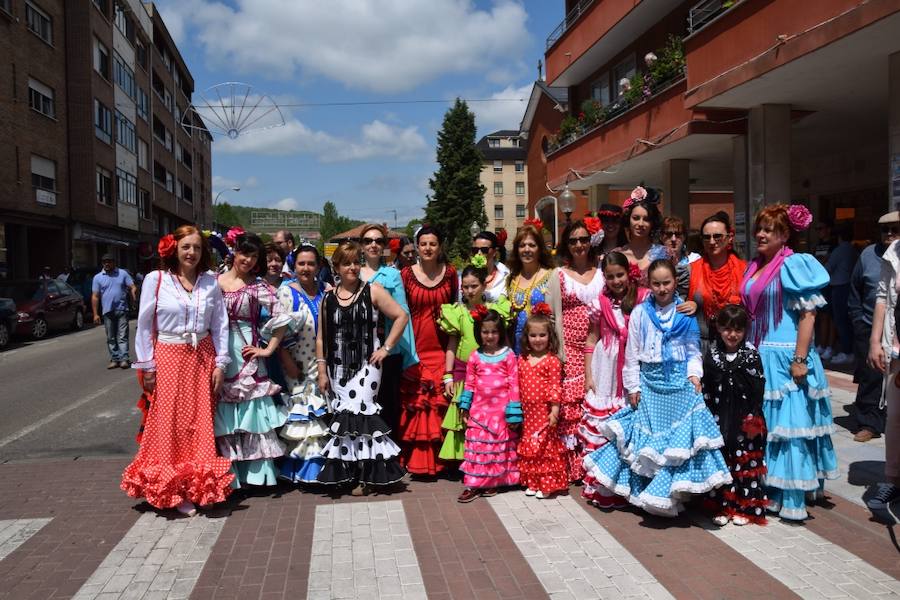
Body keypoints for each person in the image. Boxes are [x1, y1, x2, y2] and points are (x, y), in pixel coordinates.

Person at [583, 259, 731, 516]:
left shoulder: (685, 313)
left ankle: (673, 495)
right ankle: (647, 494)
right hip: (650, 385)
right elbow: (632, 353)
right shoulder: (640, 312)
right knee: (646, 445)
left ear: (675, 282)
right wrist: (633, 386)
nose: (662, 288)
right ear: (648, 284)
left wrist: (694, 375)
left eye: (667, 283)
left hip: (678, 384)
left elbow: (693, 351)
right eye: (656, 283)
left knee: (677, 445)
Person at [122, 225, 233, 516]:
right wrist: (147, 365)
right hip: (169, 356)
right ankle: (172, 489)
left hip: (203, 356)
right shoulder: (156, 280)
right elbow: (145, 325)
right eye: (186, 247)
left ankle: (199, 487)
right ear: (174, 248)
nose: (192, 253)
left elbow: (220, 324)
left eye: (196, 247)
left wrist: (221, 361)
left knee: (200, 423)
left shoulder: (210, 282)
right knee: (169, 424)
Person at [740, 204, 838, 521]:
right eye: (760, 228)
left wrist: (799, 359)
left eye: (769, 229)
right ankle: (770, 486)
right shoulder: (754, 265)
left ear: (785, 234)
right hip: (759, 352)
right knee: (766, 428)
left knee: (788, 429)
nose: (761, 234)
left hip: (785, 356)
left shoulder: (793, 264)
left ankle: (789, 494)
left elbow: (808, 315)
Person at [315, 241, 409, 495]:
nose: (353, 267)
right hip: (337, 368)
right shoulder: (328, 298)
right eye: (347, 263)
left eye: (356, 262)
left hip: (367, 366)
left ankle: (369, 476)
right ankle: (352, 474)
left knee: (363, 415)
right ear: (336, 267)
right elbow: (322, 336)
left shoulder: (373, 291)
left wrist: (386, 348)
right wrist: (322, 370)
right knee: (346, 420)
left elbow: (401, 316)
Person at [215, 233, 292, 488]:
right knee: (225, 415)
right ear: (234, 252)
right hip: (218, 353)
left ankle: (254, 476)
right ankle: (229, 476)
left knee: (252, 414)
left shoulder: (259, 287)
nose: (247, 260)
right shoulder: (214, 283)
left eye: (253, 256)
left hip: (248, 352)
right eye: (243, 253)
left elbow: (282, 317)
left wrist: (268, 349)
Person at [581, 251, 649, 507]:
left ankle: (629, 485)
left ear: (628, 273)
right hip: (606, 367)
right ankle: (603, 486)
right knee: (605, 427)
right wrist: (589, 374)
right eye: (610, 277)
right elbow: (591, 339)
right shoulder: (600, 302)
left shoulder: (643, 298)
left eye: (619, 275)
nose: (616, 281)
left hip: (632, 364)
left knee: (628, 427)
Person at [399, 226, 458, 476]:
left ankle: (445, 462)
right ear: (417, 247)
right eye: (423, 244)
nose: (428, 248)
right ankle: (419, 463)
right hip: (415, 348)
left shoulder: (452, 273)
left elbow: (456, 308)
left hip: (444, 347)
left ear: (440, 246)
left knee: (442, 402)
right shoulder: (405, 275)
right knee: (420, 404)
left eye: (433, 243)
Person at [439, 260, 511, 462]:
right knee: (464, 417)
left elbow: (504, 341)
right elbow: (452, 346)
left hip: (491, 376)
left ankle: (488, 455)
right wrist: (448, 376)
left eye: (474, 286)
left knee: (488, 417)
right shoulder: (457, 313)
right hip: (464, 375)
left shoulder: (494, 312)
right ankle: (468, 460)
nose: (470, 291)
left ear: (484, 285)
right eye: (466, 286)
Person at [702, 304, 768, 526]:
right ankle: (723, 507)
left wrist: (753, 419)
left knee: (744, 464)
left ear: (745, 331)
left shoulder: (750, 354)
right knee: (721, 462)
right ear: (719, 329)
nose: (732, 334)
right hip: (718, 418)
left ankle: (743, 507)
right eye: (727, 329)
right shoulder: (712, 354)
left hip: (744, 420)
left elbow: (758, 389)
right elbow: (707, 388)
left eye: (738, 330)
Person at [550, 220, 605, 483]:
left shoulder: (603, 270)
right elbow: (552, 315)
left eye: (583, 239)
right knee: (573, 406)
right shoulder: (558, 274)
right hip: (569, 348)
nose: (579, 245)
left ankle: (595, 462)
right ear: (566, 245)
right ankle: (574, 466)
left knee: (596, 401)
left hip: (600, 347)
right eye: (573, 241)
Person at [276, 245, 330, 483]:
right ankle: (300, 470)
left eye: (311, 263)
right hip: (296, 363)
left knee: (320, 414)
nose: (306, 269)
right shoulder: (286, 292)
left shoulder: (326, 290)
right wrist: (287, 361)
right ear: (294, 266)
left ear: (318, 266)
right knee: (302, 414)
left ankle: (319, 467)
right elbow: (277, 332)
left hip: (322, 362)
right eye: (301, 264)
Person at [456, 308, 521, 502]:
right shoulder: (475, 356)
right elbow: (469, 383)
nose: (490, 336)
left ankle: (493, 482)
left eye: (494, 331)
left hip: (500, 413)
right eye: (485, 332)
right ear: (479, 332)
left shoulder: (509, 355)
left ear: (500, 332)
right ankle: (474, 484)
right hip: (479, 413)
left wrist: (514, 413)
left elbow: (514, 384)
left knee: (496, 449)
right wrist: (464, 406)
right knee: (478, 449)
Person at [359, 224, 418, 435]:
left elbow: (402, 312)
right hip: (358, 350)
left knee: (387, 403)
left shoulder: (392, 275)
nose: (373, 245)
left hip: (386, 351)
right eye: (368, 241)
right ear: (361, 246)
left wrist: (393, 347)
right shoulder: (352, 273)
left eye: (378, 241)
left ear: (384, 246)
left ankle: (389, 457)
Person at [849, 212, 899, 442]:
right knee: (870, 377)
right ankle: (868, 422)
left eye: (895, 229)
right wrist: (859, 322)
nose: (889, 234)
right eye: (885, 230)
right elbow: (855, 290)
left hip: (897, 331)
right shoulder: (868, 254)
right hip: (870, 327)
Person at [865, 225, 900, 510]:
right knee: (895, 417)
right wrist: (875, 340)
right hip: (897, 347)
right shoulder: (894, 252)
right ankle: (893, 478)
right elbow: (883, 298)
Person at [517, 304, 568, 499]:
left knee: (545, 448)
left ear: (550, 337)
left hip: (545, 412)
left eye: (542, 335)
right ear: (526, 338)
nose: (538, 340)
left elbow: (555, 387)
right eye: (533, 336)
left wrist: (554, 411)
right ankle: (533, 481)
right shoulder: (522, 359)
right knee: (531, 448)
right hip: (528, 413)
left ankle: (547, 485)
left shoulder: (552, 360)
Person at [686, 212, 747, 347]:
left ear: (730, 237)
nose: (712, 241)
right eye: (707, 237)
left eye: (717, 236)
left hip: (735, 345)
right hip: (701, 346)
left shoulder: (745, 270)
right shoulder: (691, 270)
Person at [507, 222, 556, 355]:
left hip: (542, 349)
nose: (526, 249)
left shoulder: (551, 276)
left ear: (539, 249)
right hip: (515, 348)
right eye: (522, 245)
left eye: (532, 245)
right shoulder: (511, 279)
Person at [612, 186, 668, 287]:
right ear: (628, 220)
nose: (641, 223)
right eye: (636, 218)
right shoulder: (617, 255)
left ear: (652, 223)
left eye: (646, 219)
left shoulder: (665, 253)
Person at [92, 253, 137, 369]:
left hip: (122, 309)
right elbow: (95, 296)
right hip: (107, 311)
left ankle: (124, 359)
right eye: (104, 262)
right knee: (111, 337)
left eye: (109, 261)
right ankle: (115, 359)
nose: (107, 264)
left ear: (114, 262)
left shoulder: (122, 274)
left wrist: (133, 295)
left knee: (122, 336)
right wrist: (95, 314)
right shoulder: (98, 277)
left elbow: (132, 286)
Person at [824, 224, 857, 365]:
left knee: (840, 320)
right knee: (846, 320)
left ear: (839, 237)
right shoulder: (854, 250)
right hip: (849, 286)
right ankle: (849, 350)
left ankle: (847, 351)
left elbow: (828, 268)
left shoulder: (840, 250)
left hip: (839, 287)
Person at [813, 219, 837, 360]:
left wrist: (822, 261)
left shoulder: (834, 246)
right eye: (817, 229)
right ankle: (821, 344)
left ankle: (830, 346)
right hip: (819, 284)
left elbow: (829, 262)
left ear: (828, 229)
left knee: (831, 317)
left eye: (821, 228)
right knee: (821, 316)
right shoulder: (817, 246)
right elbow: (816, 262)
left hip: (831, 283)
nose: (819, 231)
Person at [661, 215, 700, 299]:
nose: (673, 239)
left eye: (678, 234)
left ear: (684, 237)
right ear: (661, 237)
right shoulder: (653, 260)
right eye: (668, 234)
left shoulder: (695, 259)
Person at [468, 231, 510, 302]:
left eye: (484, 250)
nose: (479, 253)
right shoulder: (467, 274)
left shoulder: (505, 274)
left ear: (494, 252)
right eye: (475, 250)